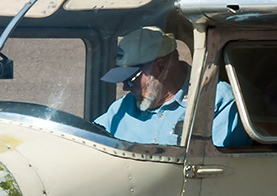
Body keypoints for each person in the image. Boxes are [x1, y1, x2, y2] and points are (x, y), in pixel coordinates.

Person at [95, 26, 250, 147]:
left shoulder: (216, 101)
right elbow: (90, 139)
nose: (126, 89)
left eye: (130, 80)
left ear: (161, 67)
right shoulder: (121, 109)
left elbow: (217, 171)